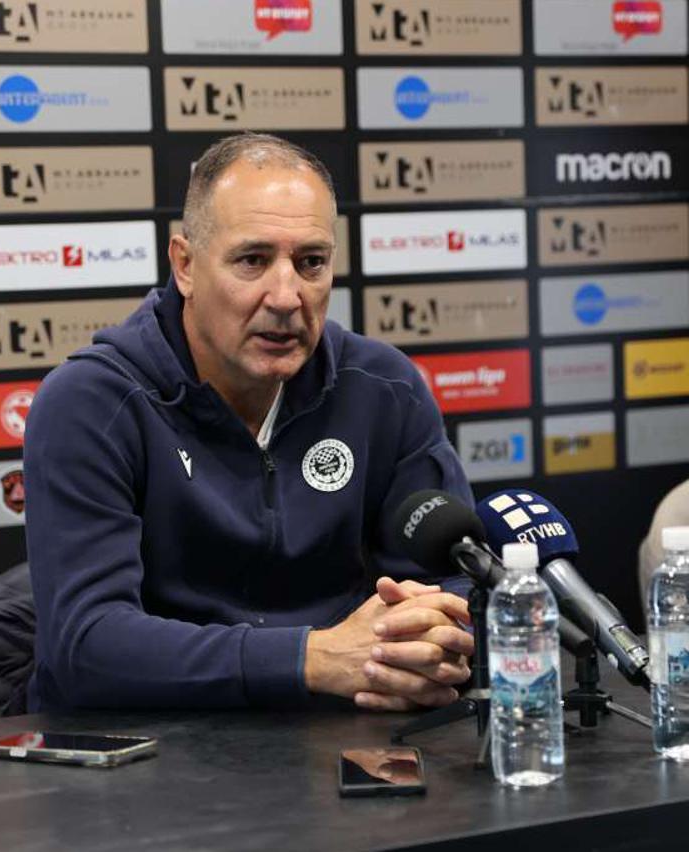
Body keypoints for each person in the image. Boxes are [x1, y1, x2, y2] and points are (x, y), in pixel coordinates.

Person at [24, 133, 475, 714]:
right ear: (185, 265)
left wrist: (435, 639)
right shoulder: (91, 403)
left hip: (344, 736)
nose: (286, 296)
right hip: (153, 745)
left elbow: (456, 585)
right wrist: (309, 659)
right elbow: (86, 647)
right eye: (252, 260)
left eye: (311, 263)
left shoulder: (385, 388)